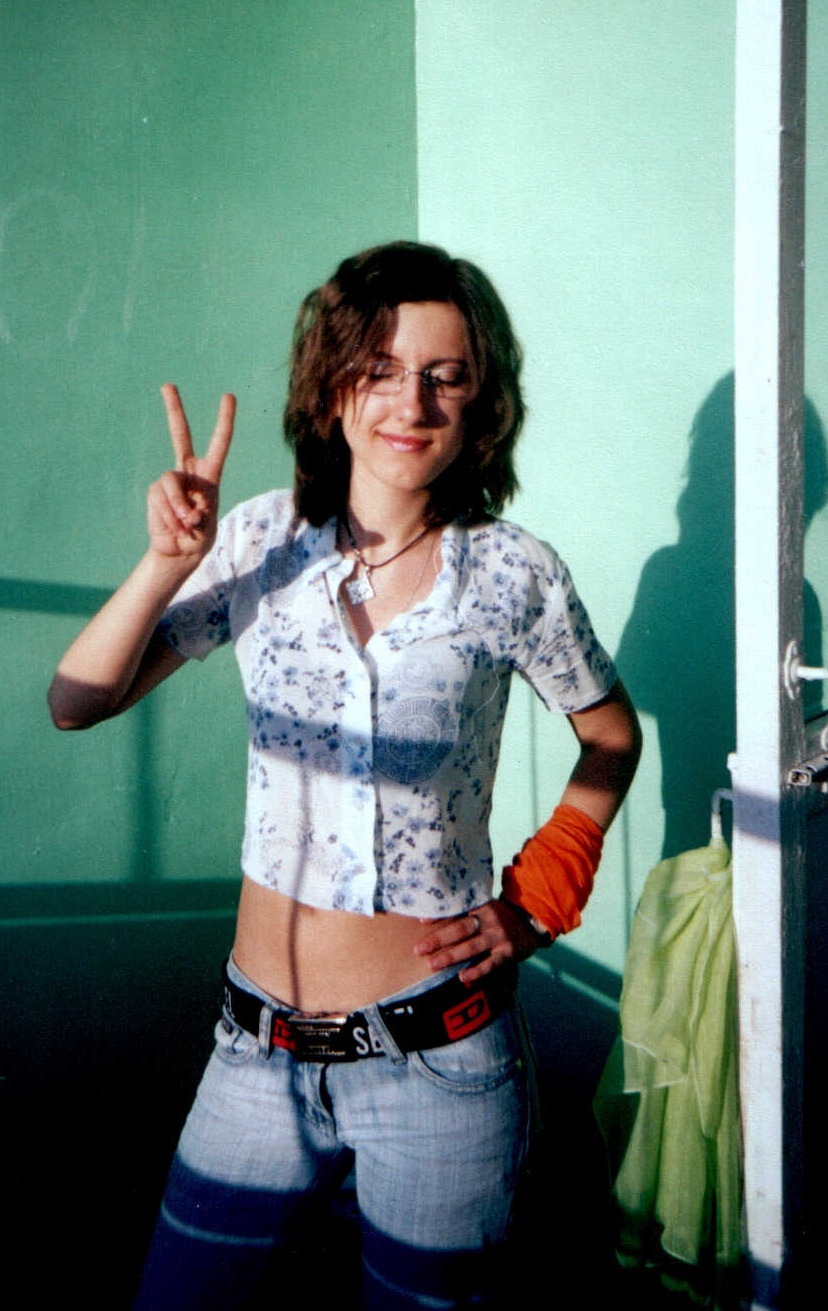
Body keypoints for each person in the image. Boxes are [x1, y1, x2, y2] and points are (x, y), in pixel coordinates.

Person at [48, 240, 641, 1310]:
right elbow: (77, 701)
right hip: (253, 1056)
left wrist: (540, 895)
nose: (411, 403)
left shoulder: (515, 573)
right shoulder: (259, 539)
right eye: (380, 369)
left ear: (480, 400)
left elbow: (611, 737)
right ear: (332, 386)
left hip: (443, 1063)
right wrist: (167, 563)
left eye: (445, 376)